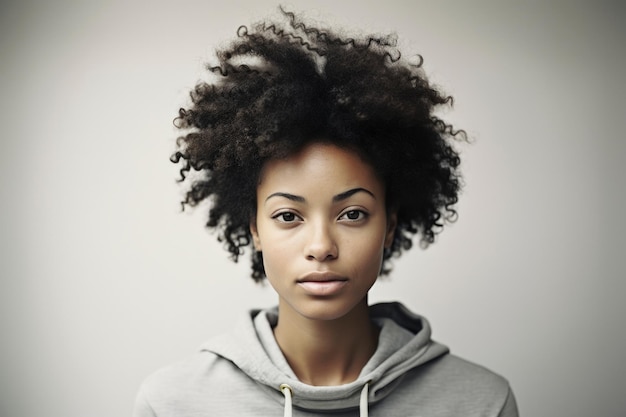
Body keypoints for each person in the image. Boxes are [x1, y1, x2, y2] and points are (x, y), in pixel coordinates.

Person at [133, 9, 518, 417]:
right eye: (288, 216)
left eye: (352, 214)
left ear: (389, 224)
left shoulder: (481, 403)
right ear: (254, 228)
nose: (321, 247)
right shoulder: (172, 403)